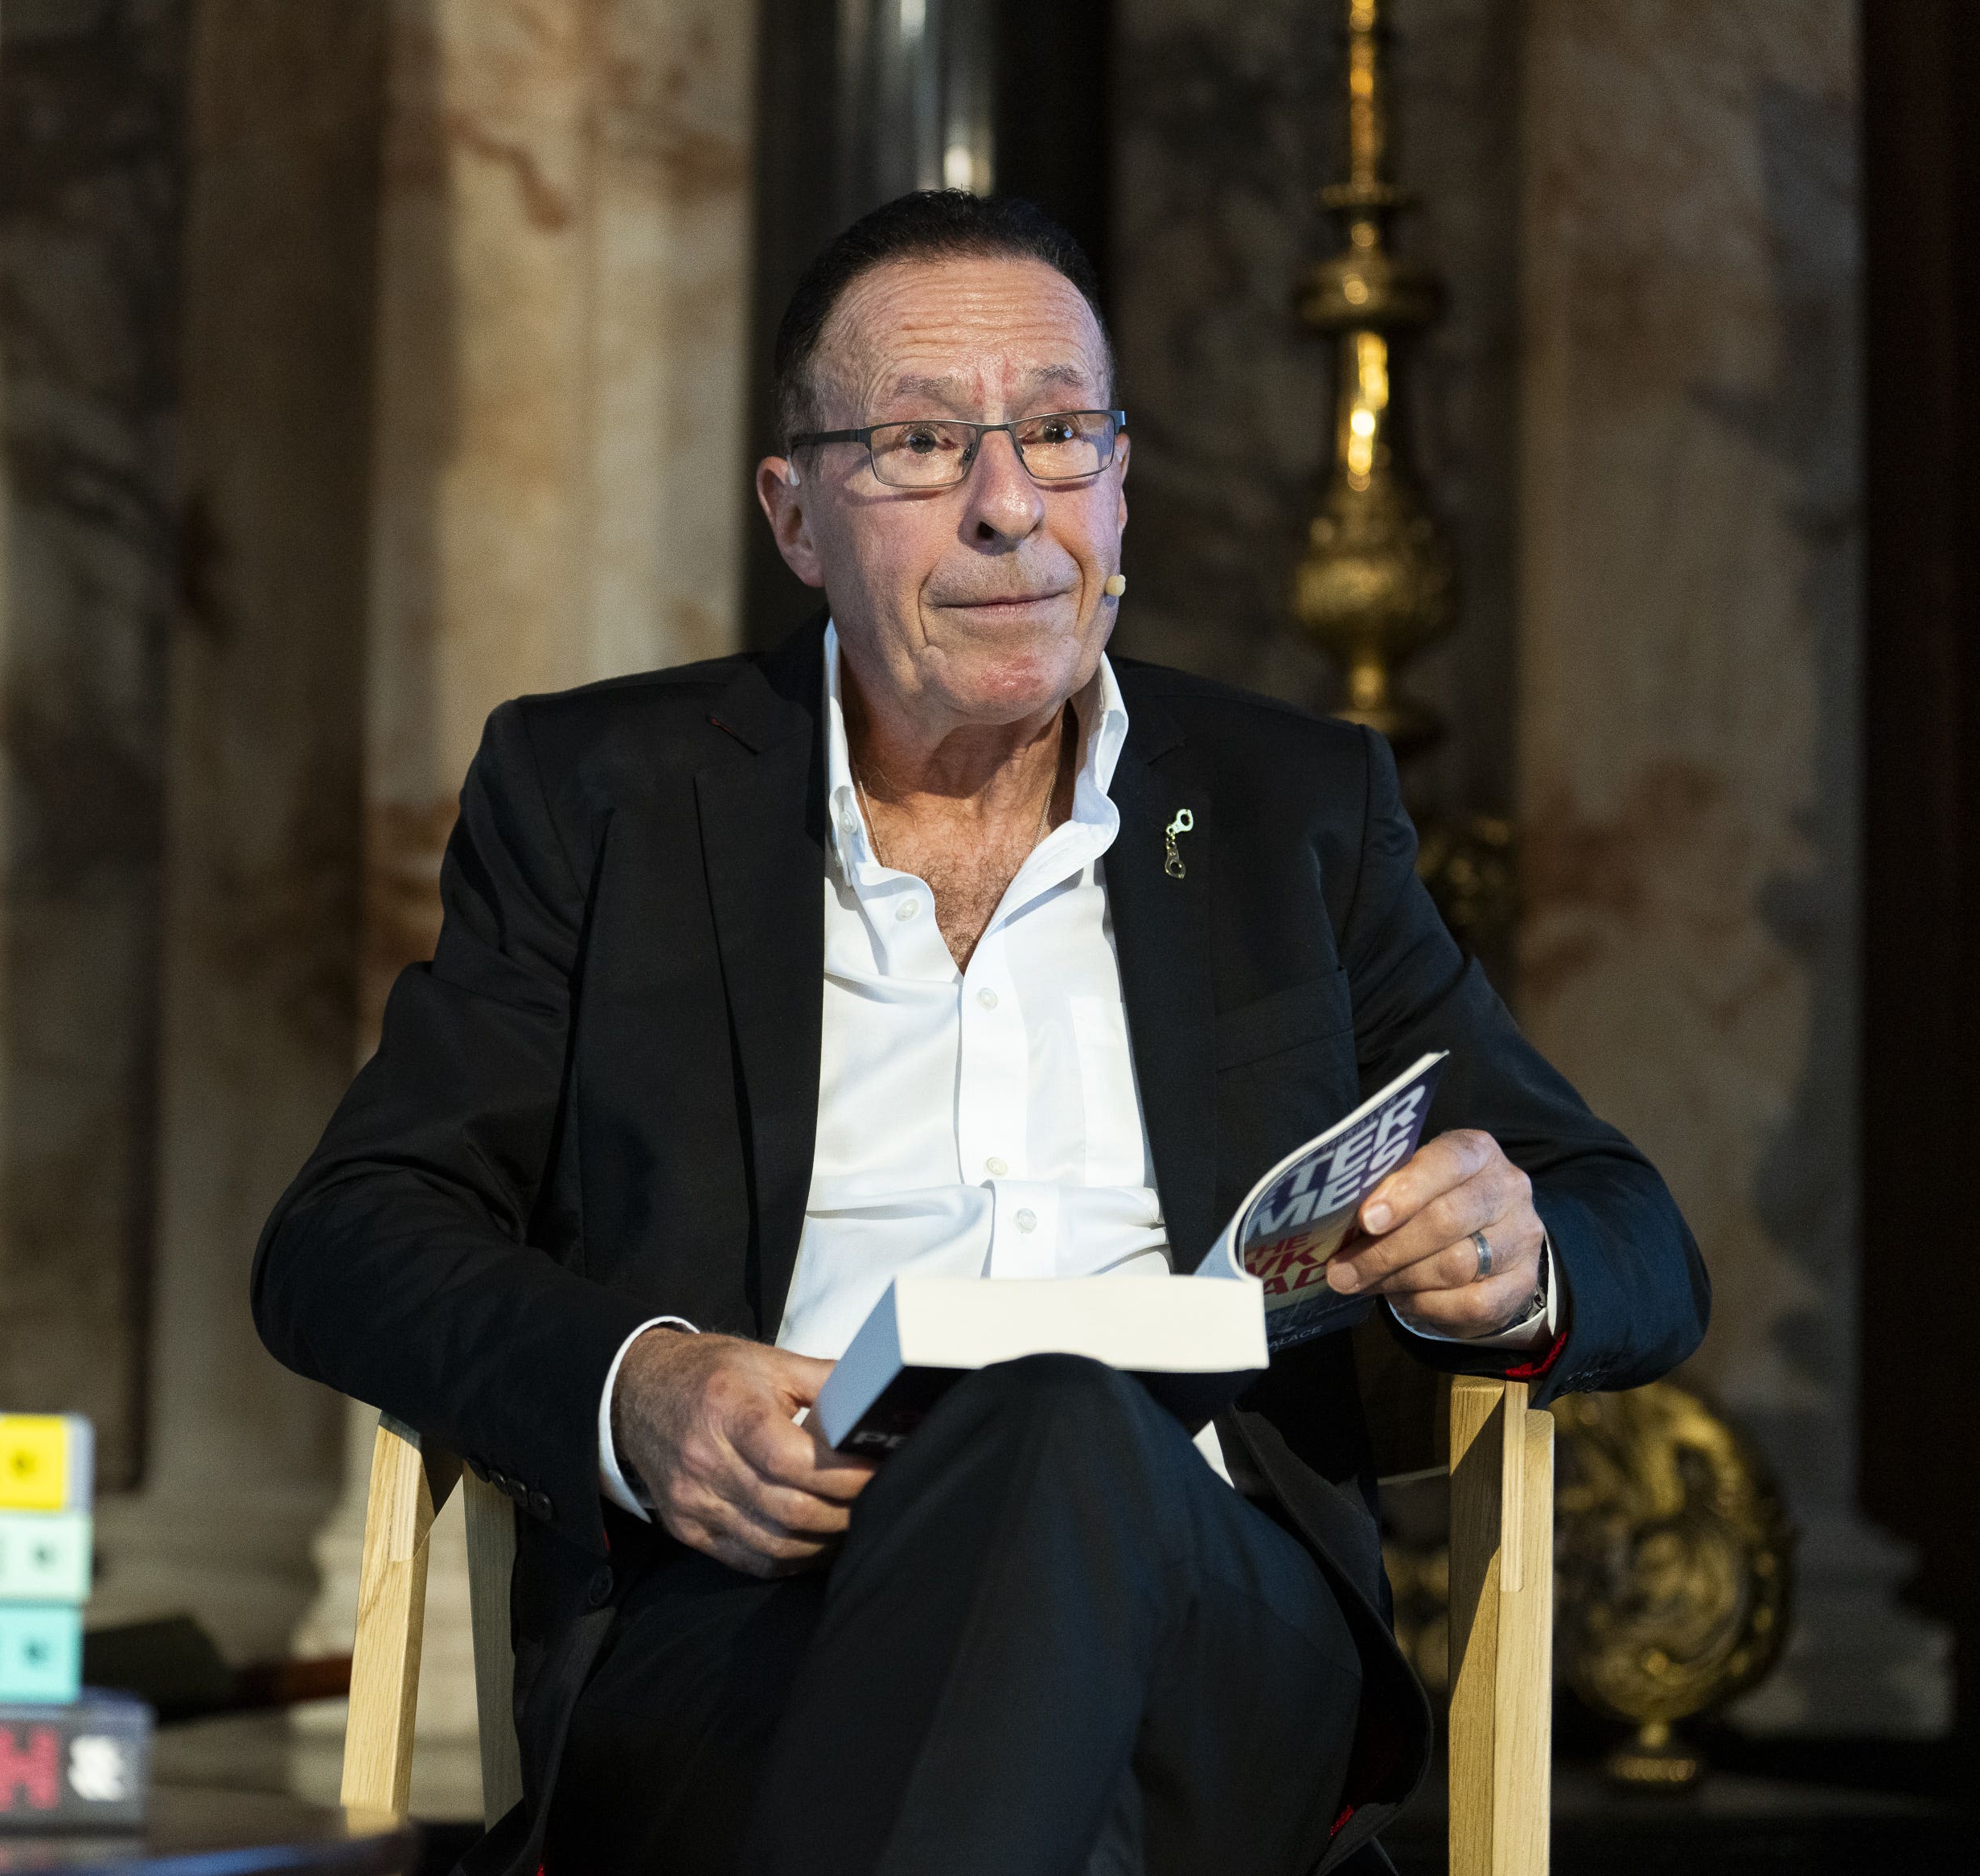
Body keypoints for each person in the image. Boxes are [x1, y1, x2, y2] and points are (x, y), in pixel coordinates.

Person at [253, 191, 1707, 1876]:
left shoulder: (1278, 812)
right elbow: (344, 1239)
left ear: (1122, 483)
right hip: (745, 1639)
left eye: (1059, 434)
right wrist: (637, 1385)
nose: (1011, 506)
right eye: (925, 445)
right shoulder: (606, 804)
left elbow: (1632, 1234)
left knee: (1056, 1423)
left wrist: (1511, 1256)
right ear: (795, 517)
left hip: (1212, 1643)